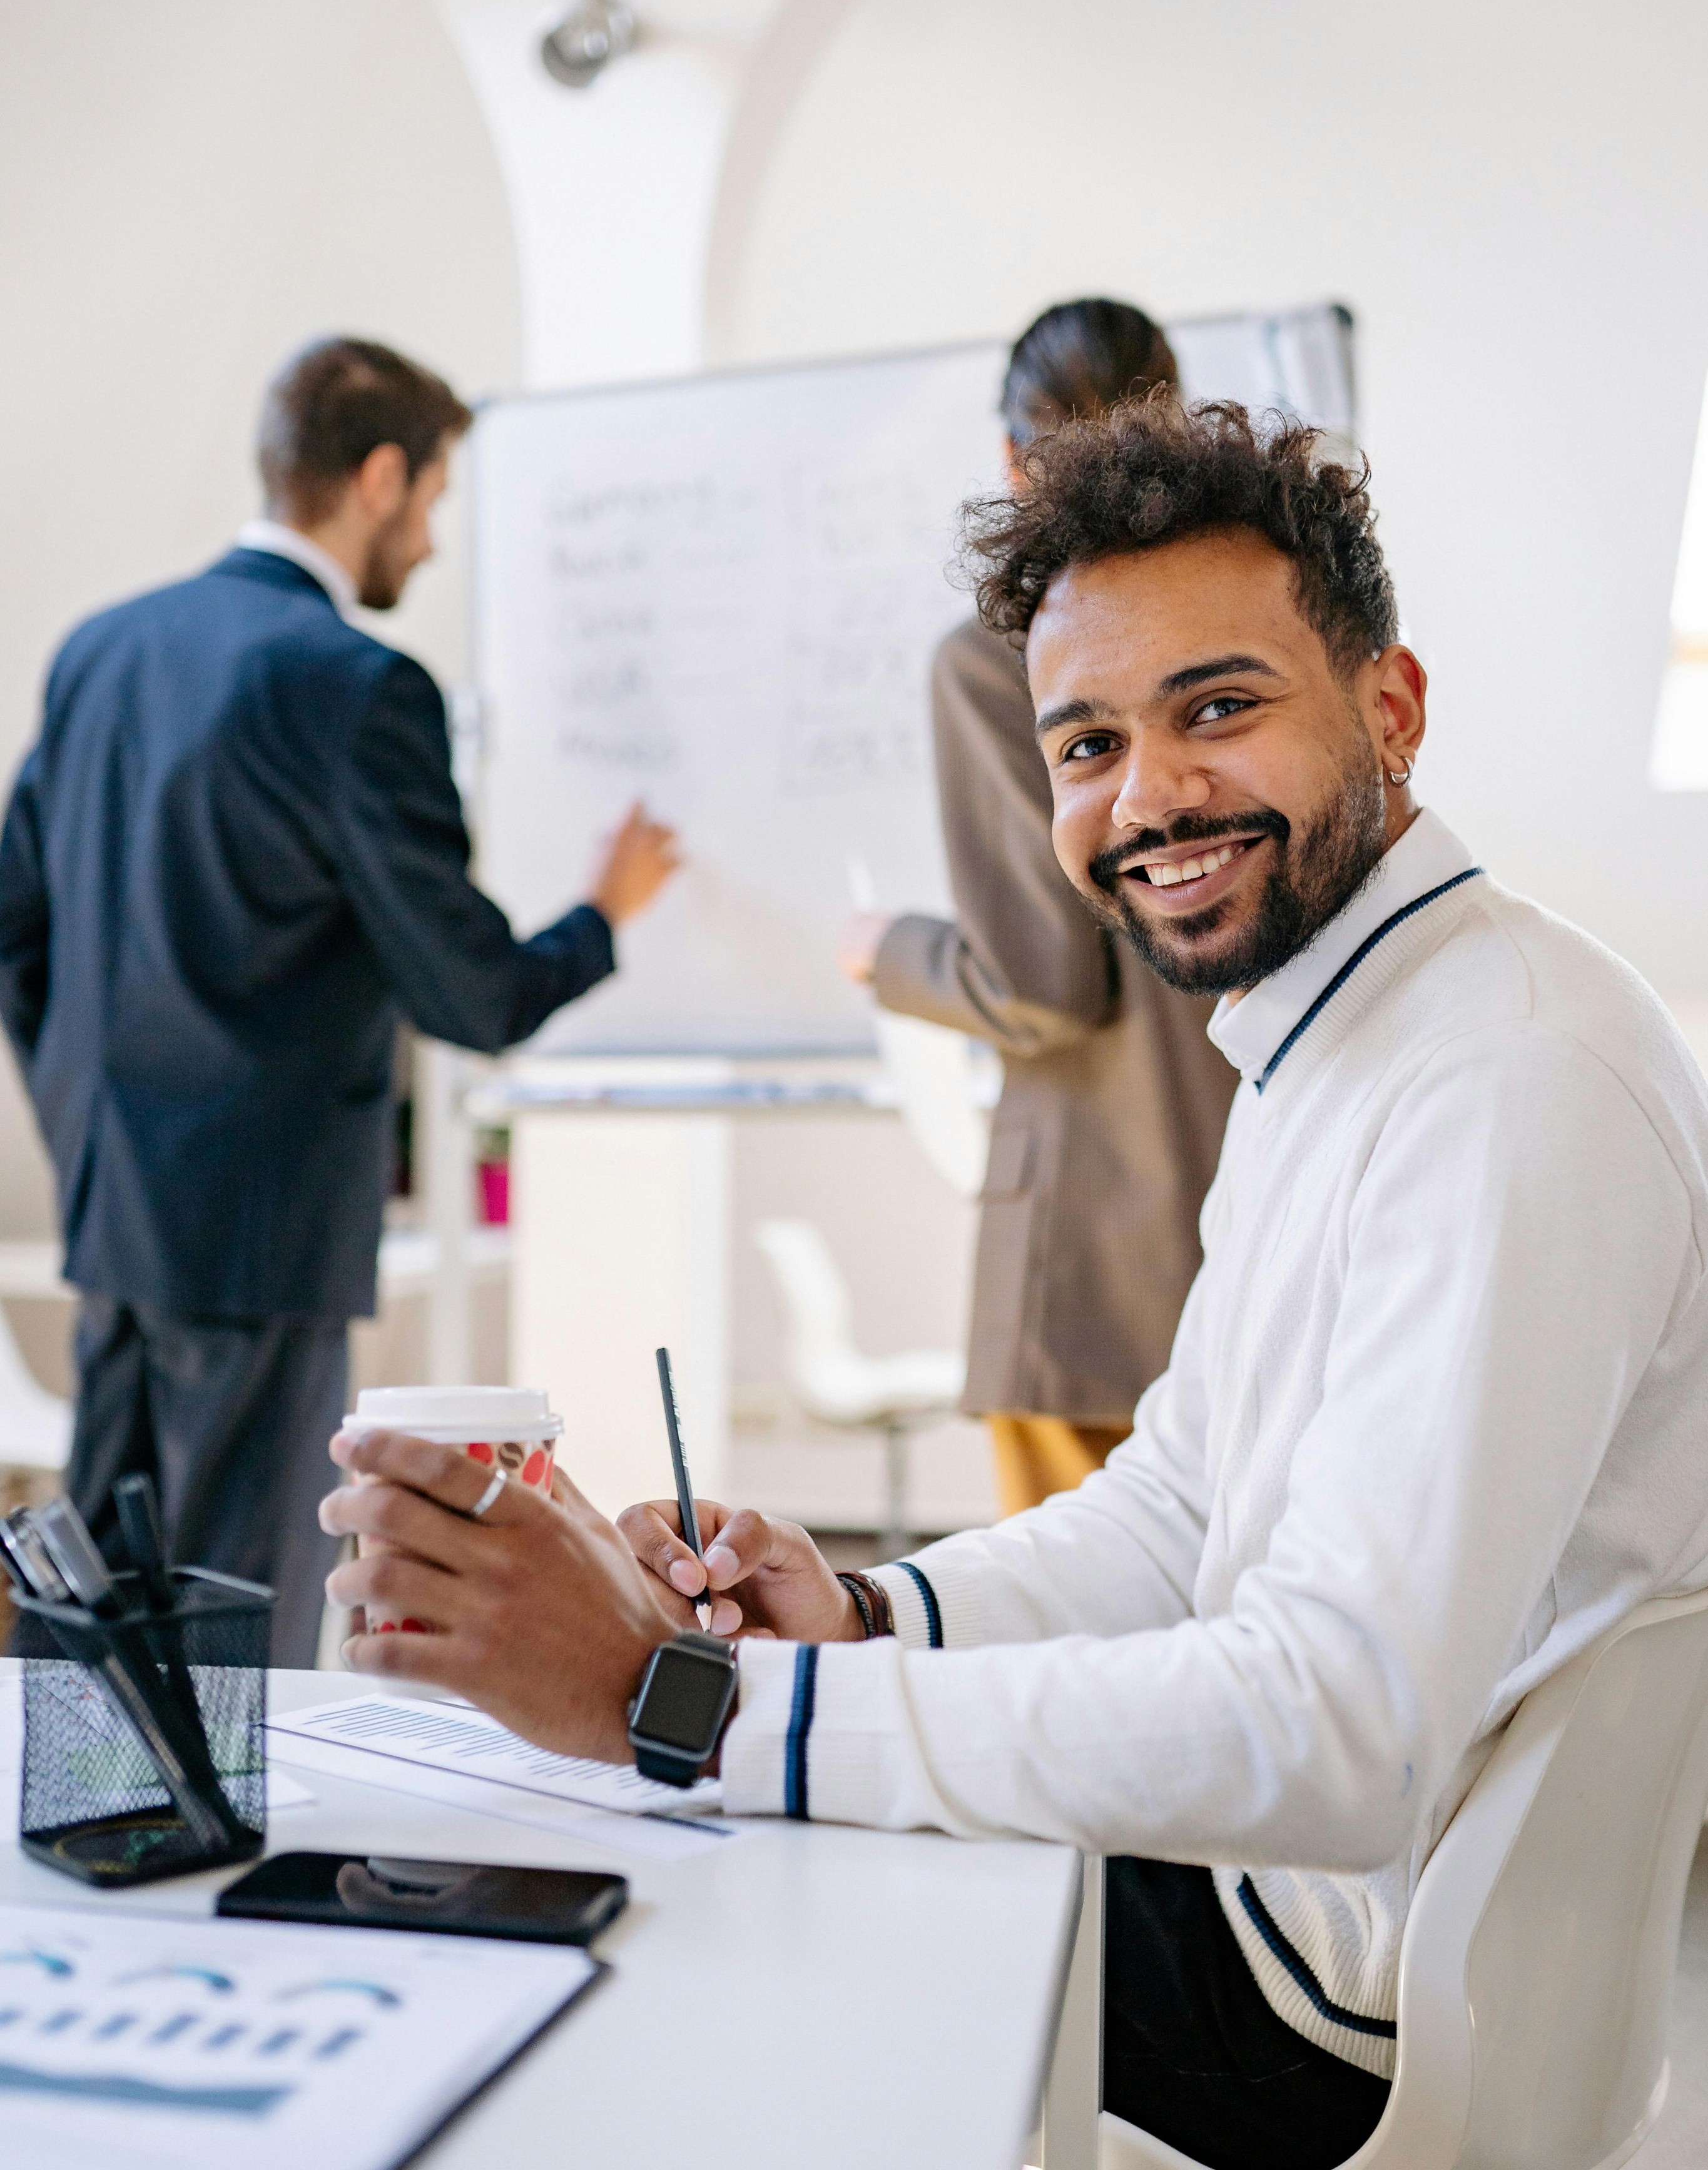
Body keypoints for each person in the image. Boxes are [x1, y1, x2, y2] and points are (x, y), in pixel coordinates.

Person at [321, 392, 1708, 2169]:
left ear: (1391, 707)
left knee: (697, 1916)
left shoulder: (1505, 1074)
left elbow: (1334, 1725)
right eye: (1087, 743)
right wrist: (861, 1616)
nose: (1149, 795)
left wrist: (700, 1708)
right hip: (1289, 1906)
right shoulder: (1346, 1036)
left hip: (1315, 1992)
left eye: (1218, 706)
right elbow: (1177, 1511)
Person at [0, 335, 679, 1667]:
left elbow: (16, 926)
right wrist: (604, 912)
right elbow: (472, 992)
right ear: (379, 477)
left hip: (115, 1200)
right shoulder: (357, 686)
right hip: (262, 1224)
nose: (428, 540)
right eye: (431, 499)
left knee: (90, 1604)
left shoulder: (103, 649)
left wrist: (86, 1117)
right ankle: (204, 1813)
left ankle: (72, 1807)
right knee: (229, 1612)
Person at [838, 301, 1236, 1513]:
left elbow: (1042, 987)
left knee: (1072, 1619)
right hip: (1252, 1229)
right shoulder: (1258, 624)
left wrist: (888, 953)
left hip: (1086, 1267)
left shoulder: (996, 653)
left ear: (1013, 459)